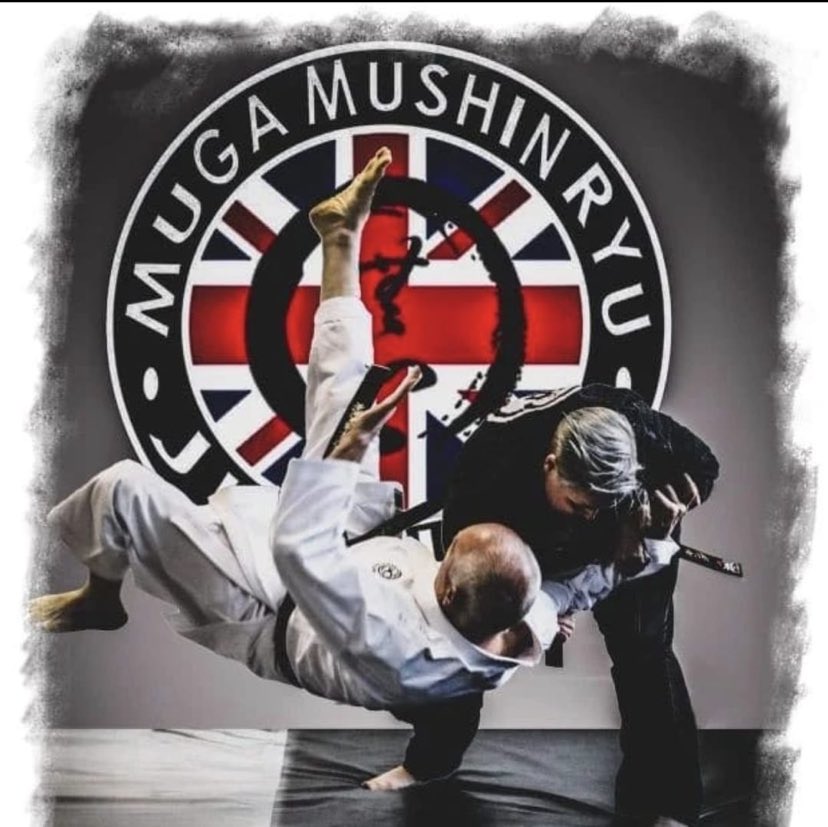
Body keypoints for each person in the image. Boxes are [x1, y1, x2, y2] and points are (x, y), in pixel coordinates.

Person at [31, 147, 575, 791]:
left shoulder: (402, 650)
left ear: (452, 594)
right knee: (342, 392)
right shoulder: (520, 618)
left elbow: (300, 552)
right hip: (357, 547)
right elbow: (579, 586)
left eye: (450, 554)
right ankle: (340, 235)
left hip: (270, 604)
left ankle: (101, 598)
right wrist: (648, 539)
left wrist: (349, 451)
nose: (444, 542)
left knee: (125, 488)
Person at [442, 387, 720, 826]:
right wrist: (536, 605)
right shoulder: (489, 467)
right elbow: (461, 573)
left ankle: (664, 805)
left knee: (643, 650)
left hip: (633, 533)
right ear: (549, 465)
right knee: (466, 635)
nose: (590, 514)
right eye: (579, 503)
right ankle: (435, 758)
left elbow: (705, 467)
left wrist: (640, 519)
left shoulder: (643, 432)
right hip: (534, 545)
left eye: (601, 505)